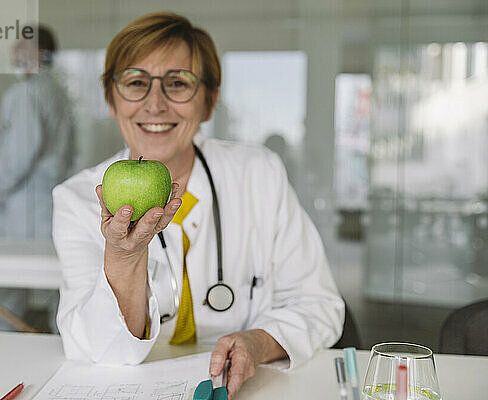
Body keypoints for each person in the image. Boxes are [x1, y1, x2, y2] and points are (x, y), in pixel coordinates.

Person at [53, 12, 344, 399]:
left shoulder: (259, 174)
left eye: (177, 83)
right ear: (111, 99)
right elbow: (97, 350)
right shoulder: (79, 198)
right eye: (136, 83)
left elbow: (318, 304)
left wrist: (258, 343)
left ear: (208, 102)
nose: (155, 104)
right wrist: (124, 257)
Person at [0, 25, 76, 331]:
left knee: (9, 291)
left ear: (40, 54)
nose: (14, 52)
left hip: (24, 207)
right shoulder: (59, 92)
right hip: (50, 204)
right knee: (59, 289)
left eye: (21, 46)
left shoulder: (25, 93)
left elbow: (19, 155)